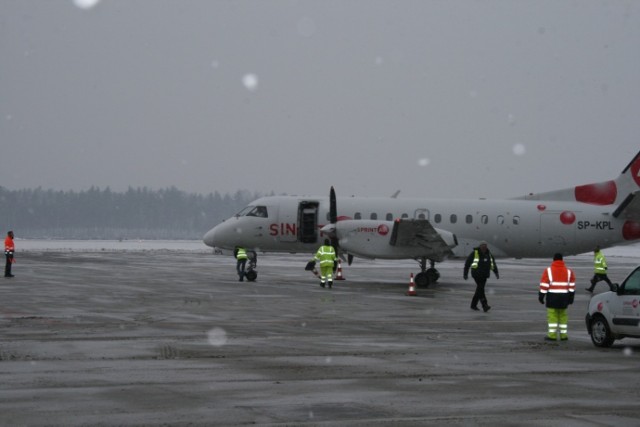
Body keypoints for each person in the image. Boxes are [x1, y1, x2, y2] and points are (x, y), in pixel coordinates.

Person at [538, 253, 575, 341]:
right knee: (563, 316)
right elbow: (572, 286)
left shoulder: (548, 271)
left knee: (552, 317)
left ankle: (552, 336)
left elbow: (544, 285)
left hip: (552, 298)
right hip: (564, 298)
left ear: (553, 260)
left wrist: (541, 296)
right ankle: (563, 336)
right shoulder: (569, 271)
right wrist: (571, 297)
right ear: (562, 260)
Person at [463, 241, 499, 312]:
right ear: (480, 247)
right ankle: (485, 305)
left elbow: (493, 264)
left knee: (479, 290)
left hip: (484, 275)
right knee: (481, 289)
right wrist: (465, 274)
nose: (484, 247)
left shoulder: (488, 254)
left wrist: (496, 272)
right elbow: (467, 263)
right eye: (482, 246)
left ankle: (473, 305)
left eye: (485, 246)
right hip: (476, 274)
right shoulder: (475, 253)